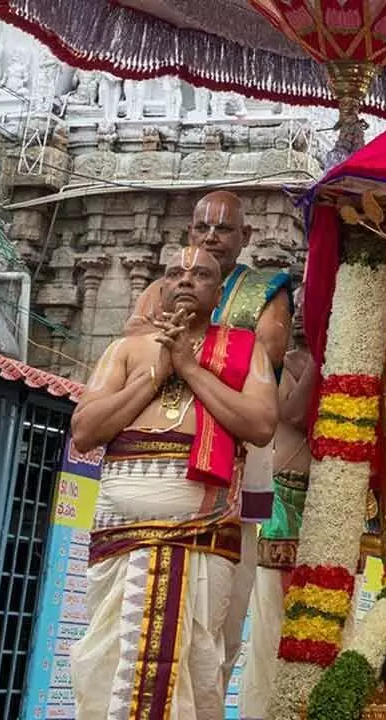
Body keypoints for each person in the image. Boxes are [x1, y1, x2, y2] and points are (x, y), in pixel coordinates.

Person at [70, 247, 278, 719]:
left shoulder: (246, 350)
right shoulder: (125, 350)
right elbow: (85, 431)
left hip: (201, 540)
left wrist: (189, 368)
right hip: (119, 542)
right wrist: (157, 374)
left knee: (195, 660)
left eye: (201, 274)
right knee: (107, 661)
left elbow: (261, 425)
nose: (186, 280)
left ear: (220, 292)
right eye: (174, 274)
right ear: (161, 286)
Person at [125, 190, 292, 683]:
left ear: (246, 237)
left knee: (222, 599)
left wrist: (191, 353)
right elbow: (133, 335)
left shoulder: (268, 287)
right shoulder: (165, 283)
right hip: (156, 455)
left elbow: (267, 348)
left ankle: (206, 689)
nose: (211, 237)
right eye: (202, 227)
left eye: (223, 229)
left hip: (239, 451)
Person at [238, 289, 315, 717]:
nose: (301, 320)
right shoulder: (281, 362)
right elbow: (292, 413)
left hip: (320, 497)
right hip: (282, 495)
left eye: (311, 311)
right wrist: (322, 364)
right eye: (296, 312)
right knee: (270, 617)